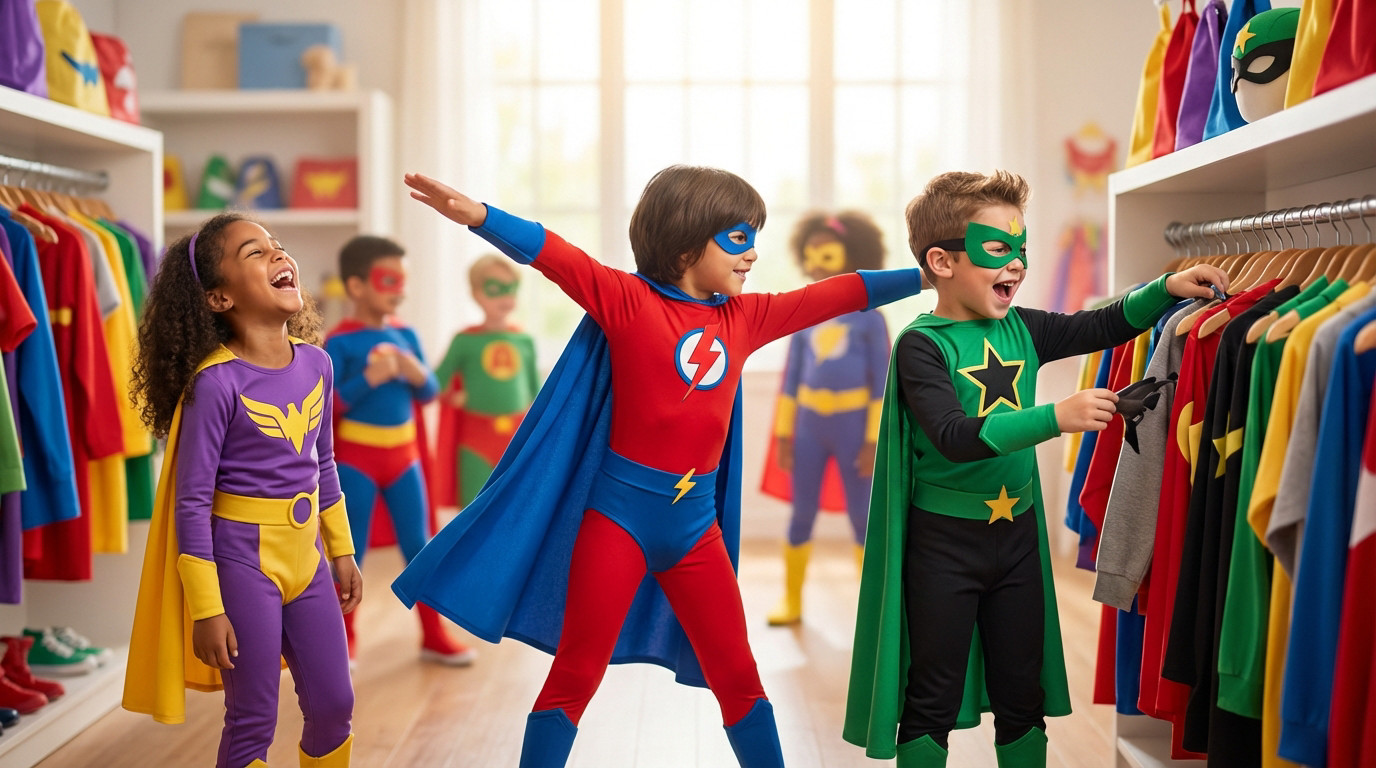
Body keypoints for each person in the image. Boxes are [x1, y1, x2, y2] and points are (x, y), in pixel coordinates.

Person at [393, 166, 924, 768]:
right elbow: (555, 253)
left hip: (696, 531)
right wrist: (481, 215)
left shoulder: (746, 318)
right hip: (617, 520)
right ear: (684, 243)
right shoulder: (627, 301)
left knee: (739, 676)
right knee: (575, 675)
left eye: (754, 237)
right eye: (737, 238)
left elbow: (839, 293)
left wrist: (926, 274)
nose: (752, 253)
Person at [842, 170, 1229, 768]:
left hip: (1016, 540)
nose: (1017, 264)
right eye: (998, 249)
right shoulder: (922, 345)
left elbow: (1098, 325)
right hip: (942, 546)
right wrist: (1056, 416)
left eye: (1022, 249)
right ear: (942, 262)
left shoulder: (1023, 328)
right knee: (932, 697)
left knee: (1023, 696)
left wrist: (1166, 287)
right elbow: (952, 436)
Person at [122, 212, 360, 768]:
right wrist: (206, 608)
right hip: (240, 562)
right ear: (218, 299)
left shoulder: (319, 365)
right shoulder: (216, 382)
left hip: (308, 559)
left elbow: (323, 463)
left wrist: (342, 550)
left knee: (335, 701)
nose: (278, 255)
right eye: (254, 252)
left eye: (278, 246)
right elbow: (192, 502)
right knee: (254, 714)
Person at [324, 235, 476, 666]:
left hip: (404, 459)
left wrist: (412, 369)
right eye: (388, 279)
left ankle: (433, 634)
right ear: (356, 286)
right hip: (357, 460)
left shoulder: (406, 333)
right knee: (348, 550)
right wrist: (368, 378)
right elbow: (326, 406)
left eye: (402, 280)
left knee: (421, 545)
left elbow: (430, 390)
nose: (399, 289)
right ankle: (344, 638)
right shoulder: (340, 342)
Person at [760, 210, 890, 626]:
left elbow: (882, 385)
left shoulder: (871, 317)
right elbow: (791, 381)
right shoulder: (804, 313)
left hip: (855, 429)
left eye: (827, 252)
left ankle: (873, 608)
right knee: (801, 512)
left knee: (862, 516)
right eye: (812, 253)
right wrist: (783, 434)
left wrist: (874, 440)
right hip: (808, 429)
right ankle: (791, 599)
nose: (817, 260)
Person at [432, 254, 539, 509]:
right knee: (473, 508)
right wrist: (453, 398)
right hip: (474, 440)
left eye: (511, 288)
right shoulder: (465, 341)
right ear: (477, 293)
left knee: (517, 506)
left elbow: (537, 393)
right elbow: (434, 384)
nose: (505, 296)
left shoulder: (524, 341)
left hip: (516, 437)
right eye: (495, 288)